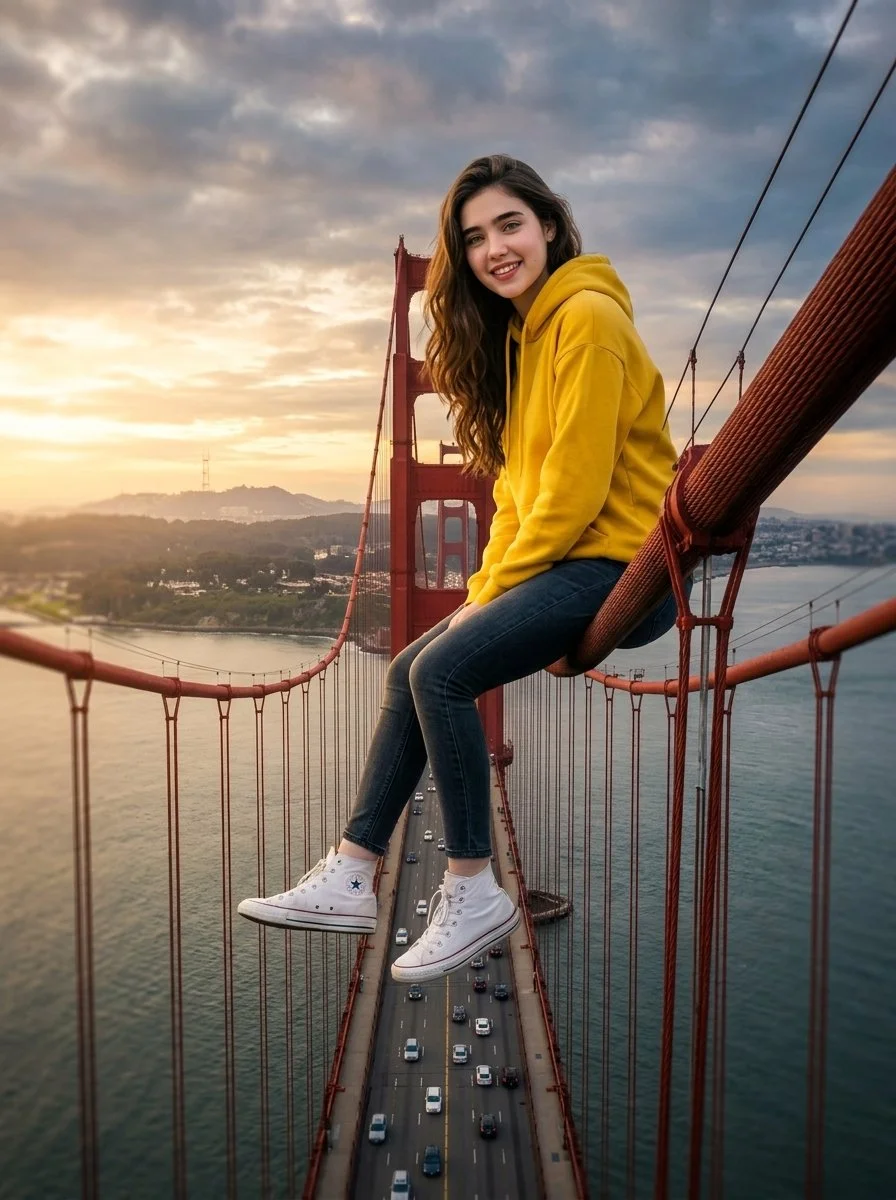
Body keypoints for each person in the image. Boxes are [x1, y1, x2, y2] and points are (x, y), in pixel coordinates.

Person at [238, 154, 680, 983]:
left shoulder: (585, 320)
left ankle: (473, 887)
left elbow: (576, 493)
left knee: (440, 671)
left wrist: (488, 604)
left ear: (548, 223)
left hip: (622, 568)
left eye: (509, 224)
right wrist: (485, 593)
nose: (494, 249)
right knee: (411, 664)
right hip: (570, 559)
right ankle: (353, 869)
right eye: (474, 238)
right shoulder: (525, 336)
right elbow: (519, 493)